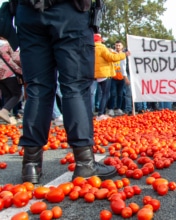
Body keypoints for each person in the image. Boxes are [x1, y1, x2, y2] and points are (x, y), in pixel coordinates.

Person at [16, 1, 118, 183]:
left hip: (28, 12)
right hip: (68, 10)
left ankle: (31, 165)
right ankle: (85, 163)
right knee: (75, 86)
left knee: (37, 88)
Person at [94, 35, 130, 121]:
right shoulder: (102, 48)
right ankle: (101, 114)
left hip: (97, 73)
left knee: (102, 94)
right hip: (104, 73)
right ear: (100, 41)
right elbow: (112, 58)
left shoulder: (91, 48)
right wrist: (124, 54)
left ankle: (101, 113)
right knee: (106, 94)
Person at [0, 37, 22, 125]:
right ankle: (4, 111)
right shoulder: (6, 44)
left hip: (0, 75)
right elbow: (16, 58)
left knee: (7, 95)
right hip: (9, 73)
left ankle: (6, 115)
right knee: (17, 94)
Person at [107, 40, 127, 117]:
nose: (118, 47)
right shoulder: (112, 53)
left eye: (119, 45)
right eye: (116, 45)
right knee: (113, 93)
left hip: (121, 77)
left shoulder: (124, 55)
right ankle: (111, 109)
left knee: (120, 94)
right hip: (113, 77)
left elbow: (124, 67)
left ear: (122, 46)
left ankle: (118, 108)